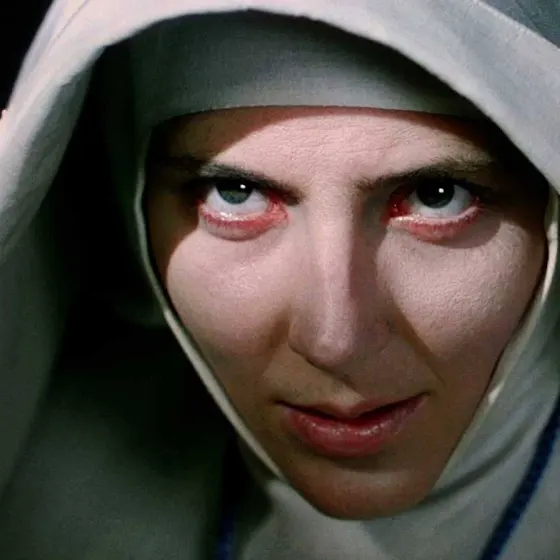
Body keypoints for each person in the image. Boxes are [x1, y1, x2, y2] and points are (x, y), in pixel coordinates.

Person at [0, 1, 559, 558]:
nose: (334, 341)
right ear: (136, 205)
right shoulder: (45, 505)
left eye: (437, 196)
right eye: (235, 194)